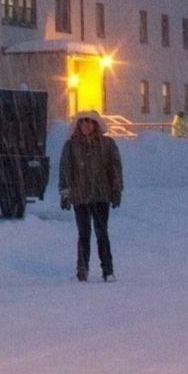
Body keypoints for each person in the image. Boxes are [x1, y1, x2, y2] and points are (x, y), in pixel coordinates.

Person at [58, 110, 123, 282]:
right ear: (78, 125)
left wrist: (116, 190)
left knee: (102, 233)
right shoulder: (71, 146)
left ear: (95, 124)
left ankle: (107, 270)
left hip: (101, 195)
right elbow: (65, 170)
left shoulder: (107, 144)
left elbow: (115, 168)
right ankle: (82, 269)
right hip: (80, 196)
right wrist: (65, 193)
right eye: (82, 122)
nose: (86, 125)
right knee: (84, 233)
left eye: (89, 122)